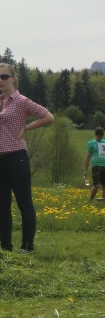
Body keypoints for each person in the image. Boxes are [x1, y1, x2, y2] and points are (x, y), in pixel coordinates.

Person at [0, 62, 54, 253]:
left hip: (17, 158)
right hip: (0, 160)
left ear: (14, 79)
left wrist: (27, 127)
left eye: (4, 77)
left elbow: (48, 117)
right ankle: (5, 247)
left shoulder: (21, 101)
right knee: (2, 205)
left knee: (24, 204)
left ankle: (27, 247)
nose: (1, 81)